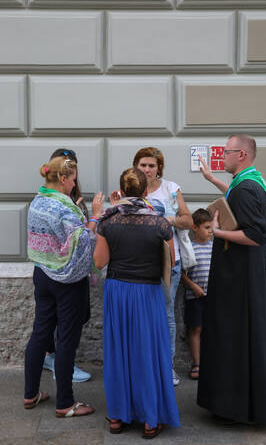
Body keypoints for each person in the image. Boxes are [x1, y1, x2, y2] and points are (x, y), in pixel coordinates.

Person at [197, 134, 266, 425]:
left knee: (236, 336)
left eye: (226, 152)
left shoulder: (246, 188)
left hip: (240, 278)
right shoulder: (251, 180)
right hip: (247, 271)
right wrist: (213, 179)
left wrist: (217, 231)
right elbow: (235, 198)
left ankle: (238, 405)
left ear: (242, 156)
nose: (221, 156)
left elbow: (253, 235)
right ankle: (250, 401)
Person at [95, 168, 180, 438]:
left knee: (119, 353)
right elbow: (172, 261)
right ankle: (150, 420)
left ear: (121, 191)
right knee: (148, 354)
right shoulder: (160, 223)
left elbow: (99, 262)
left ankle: (118, 417)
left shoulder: (108, 222)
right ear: (146, 191)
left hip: (118, 291)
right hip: (148, 292)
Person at [24, 155, 104, 417]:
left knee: (40, 334)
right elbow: (82, 242)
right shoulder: (64, 207)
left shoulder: (38, 201)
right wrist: (95, 216)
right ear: (62, 178)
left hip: (42, 274)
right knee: (66, 340)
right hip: (66, 281)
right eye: (72, 179)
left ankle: (30, 394)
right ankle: (65, 403)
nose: (74, 183)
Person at [43, 148, 91, 383]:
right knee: (62, 321)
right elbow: (74, 236)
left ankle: (56, 361)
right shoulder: (51, 198)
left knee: (77, 316)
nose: (73, 177)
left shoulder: (69, 193)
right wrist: (87, 220)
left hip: (74, 269)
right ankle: (61, 367)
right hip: (62, 271)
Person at [181, 209, 212, 381]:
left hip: (212, 297)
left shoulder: (215, 248)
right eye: (207, 227)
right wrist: (193, 287)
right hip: (195, 298)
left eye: (211, 228)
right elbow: (182, 274)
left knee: (211, 329)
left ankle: (211, 363)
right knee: (196, 329)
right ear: (194, 227)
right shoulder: (189, 249)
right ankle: (197, 363)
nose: (210, 231)